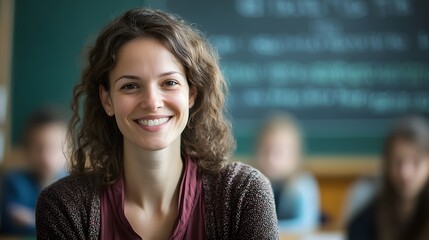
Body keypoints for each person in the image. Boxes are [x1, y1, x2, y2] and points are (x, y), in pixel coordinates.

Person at [35, 8, 278, 239]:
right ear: (107, 99)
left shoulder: (243, 193)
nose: (152, 102)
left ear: (191, 94)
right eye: (130, 86)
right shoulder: (65, 206)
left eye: (169, 83)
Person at [347, 116, 429, 240]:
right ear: (387, 163)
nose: (405, 173)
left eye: (416, 163)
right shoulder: (366, 216)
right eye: (398, 162)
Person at [0, 107, 67, 235]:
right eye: (38, 147)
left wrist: (31, 219)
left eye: (54, 147)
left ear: (69, 149)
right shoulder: (14, 182)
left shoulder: (74, 184)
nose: (46, 157)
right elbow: (13, 222)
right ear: (26, 149)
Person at [256, 113, 320, 233]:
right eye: (266, 151)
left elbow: (307, 225)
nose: (271, 159)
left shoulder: (303, 185)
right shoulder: (252, 184)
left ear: (295, 155)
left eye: (279, 152)